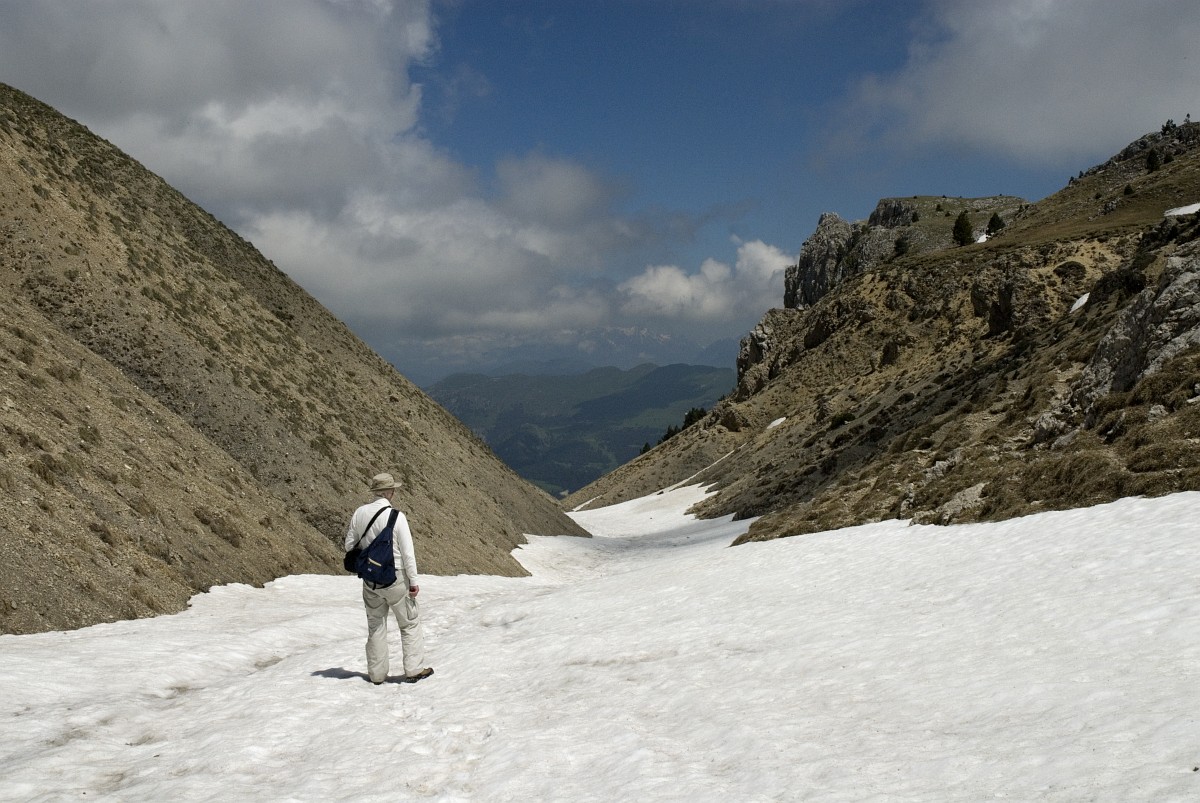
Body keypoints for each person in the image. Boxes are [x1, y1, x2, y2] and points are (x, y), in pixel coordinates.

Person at [344, 472, 434, 685]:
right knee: (409, 623)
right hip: (396, 579)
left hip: (370, 580)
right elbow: (408, 553)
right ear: (390, 492)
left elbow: (349, 545)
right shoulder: (396, 517)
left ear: (375, 492)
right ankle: (414, 669)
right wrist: (413, 582)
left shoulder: (359, 513)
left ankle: (376, 675)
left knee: (376, 625)